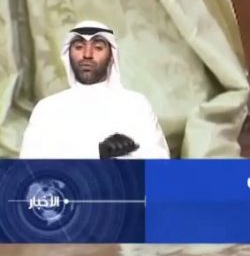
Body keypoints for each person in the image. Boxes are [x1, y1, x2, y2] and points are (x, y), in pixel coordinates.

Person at [19, 21, 170, 159]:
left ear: (111, 56)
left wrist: (120, 160)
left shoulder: (136, 105)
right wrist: (98, 155)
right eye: (79, 47)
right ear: (68, 54)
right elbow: (30, 169)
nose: (87, 55)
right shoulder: (47, 109)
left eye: (98, 48)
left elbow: (160, 163)